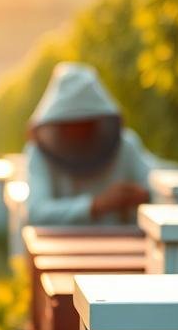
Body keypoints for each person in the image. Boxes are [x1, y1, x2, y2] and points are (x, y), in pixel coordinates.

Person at [24, 62, 154, 225]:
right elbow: (37, 212)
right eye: (72, 124)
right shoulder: (39, 153)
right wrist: (97, 204)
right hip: (61, 248)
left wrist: (144, 194)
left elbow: (158, 186)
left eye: (87, 122)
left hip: (121, 243)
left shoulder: (127, 145)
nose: (80, 131)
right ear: (59, 124)